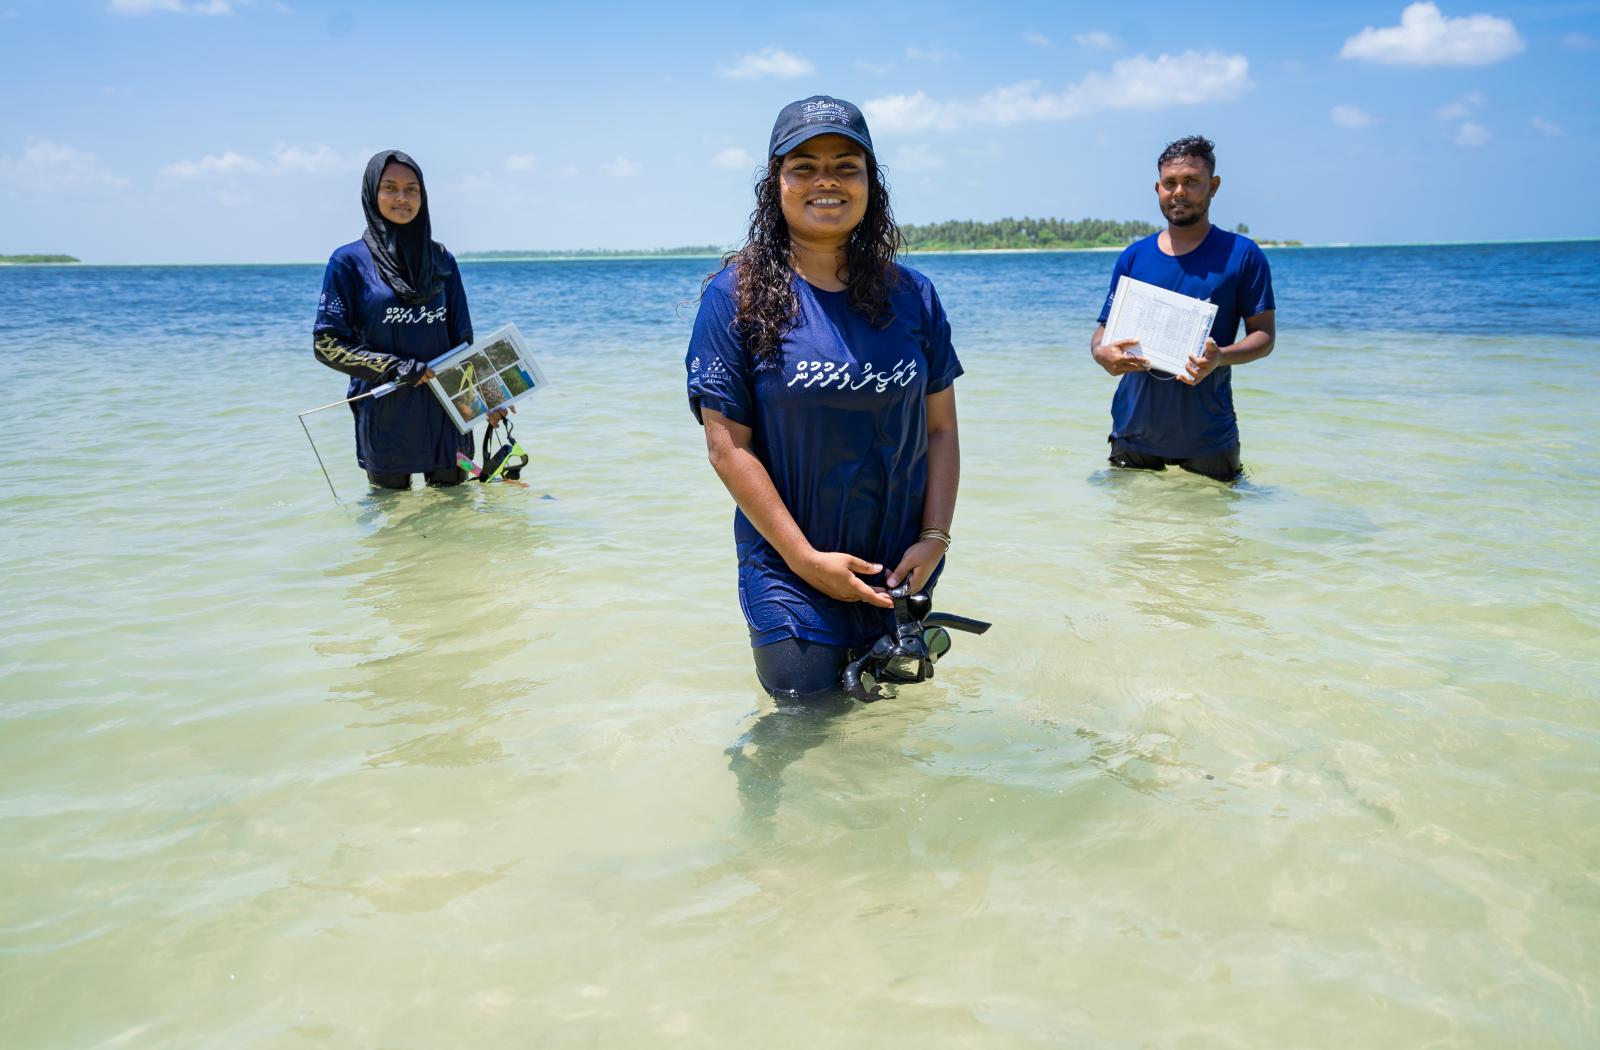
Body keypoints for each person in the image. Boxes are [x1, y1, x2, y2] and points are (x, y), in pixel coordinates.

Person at [686, 96, 964, 704]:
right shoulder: (734, 297)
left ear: (870, 182)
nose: (826, 181)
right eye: (804, 165)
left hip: (898, 568)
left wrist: (935, 539)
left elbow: (941, 429)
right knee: (800, 738)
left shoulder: (913, 296)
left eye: (846, 164)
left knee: (883, 752)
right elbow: (726, 446)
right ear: (775, 182)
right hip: (790, 571)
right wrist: (807, 560)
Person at [1089, 135, 1276, 482]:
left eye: (1191, 181)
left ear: (1213, 186)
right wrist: (1102, 353)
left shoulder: (1243, 255)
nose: (1179, 192)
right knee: (1133, 533)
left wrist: (1220, 356)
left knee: (1212, 536)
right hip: (1133, 431)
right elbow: (1104, 329)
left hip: (1208, 436)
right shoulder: (1134, 256)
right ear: (1158, 187)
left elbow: (1264, 337)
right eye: (1170, 183)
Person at [312, 149, 504, 489]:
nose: (402, 198)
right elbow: (327, 345)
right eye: (390, 187)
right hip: (384, 415)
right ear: (373, 193)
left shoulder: (442, 258)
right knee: (391, 523)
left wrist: (490, 397)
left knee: (455, 512)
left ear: (423, 195)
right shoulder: (348, 262)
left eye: (411, 189)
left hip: (449, 412)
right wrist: (394, 366)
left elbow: (463, 340)